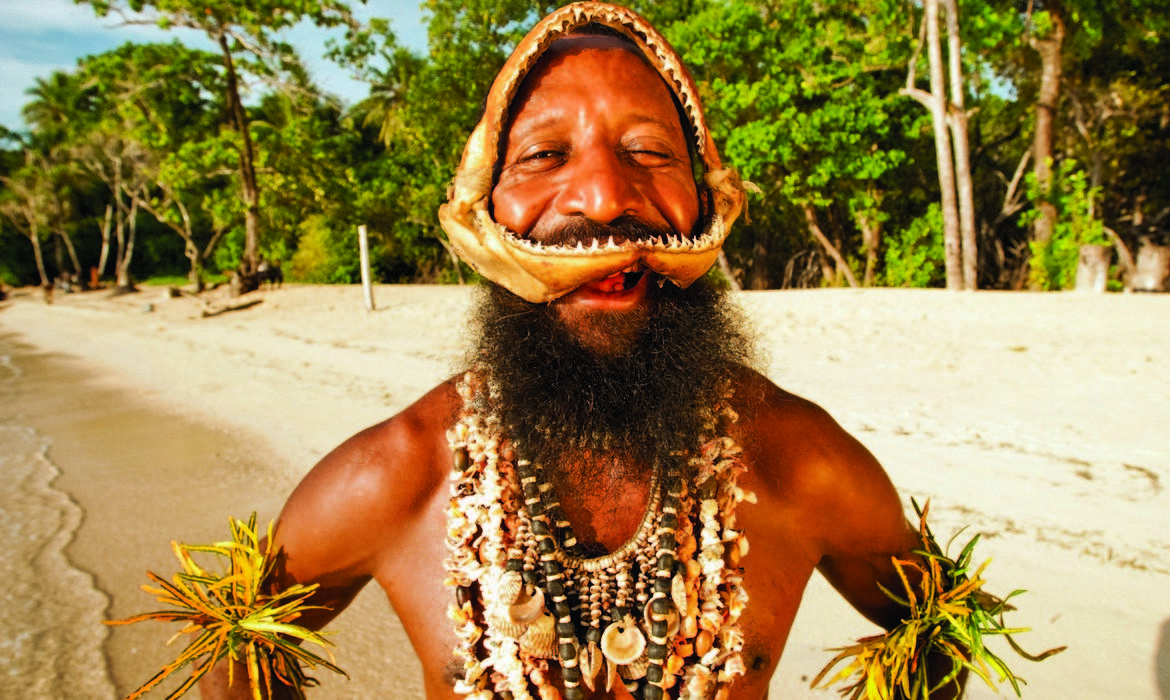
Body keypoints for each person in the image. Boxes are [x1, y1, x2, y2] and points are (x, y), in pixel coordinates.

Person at [201, 4, 961, 699]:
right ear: (481, 210)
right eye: (543, 156)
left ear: (707, 198)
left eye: (649, 151)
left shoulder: (799, 463)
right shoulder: (396, 477)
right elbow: (234, 657)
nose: (602, 196)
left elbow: (937, 632)